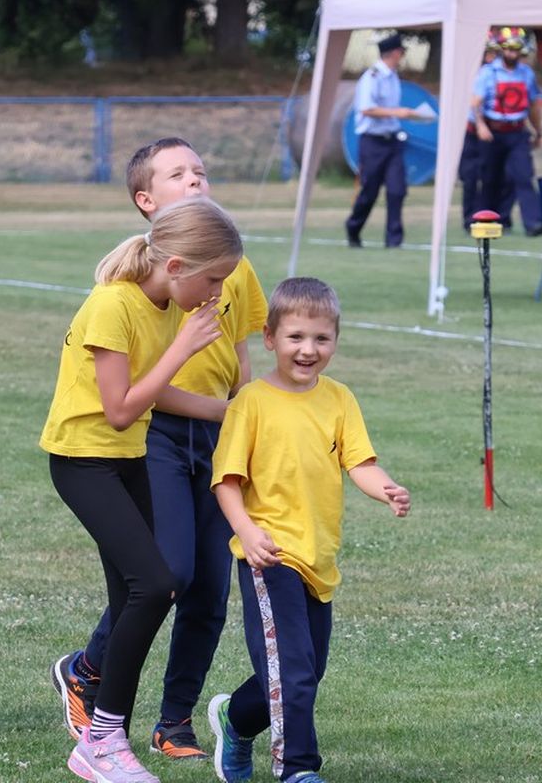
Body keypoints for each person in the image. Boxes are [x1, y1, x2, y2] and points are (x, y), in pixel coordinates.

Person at [50, 138, 269, 761]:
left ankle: (153, 726)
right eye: (180, 174)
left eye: (201, 170)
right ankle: (101, 722)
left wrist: (240, 415)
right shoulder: (126, 300)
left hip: (159, 445)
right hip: (113, 451)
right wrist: (185, 348)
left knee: (184, 587)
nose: (197, 181)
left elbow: (212, 369)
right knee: (158, 578)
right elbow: (125, 407)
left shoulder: (186, 285)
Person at [206, 277, 410, 783]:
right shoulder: (251, 402)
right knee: (294, 674)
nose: (308, 349)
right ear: (270, 338)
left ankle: (236, 718)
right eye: (296, 337)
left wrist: (385, 488)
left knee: (305, 673)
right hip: (271, 555)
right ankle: (297, 770)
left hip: (319, 557)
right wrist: (247, 534)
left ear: (336, 340)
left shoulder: (339, 399)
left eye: (322, 339)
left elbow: (359, 461)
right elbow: (226, 482)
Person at [470, 26, 542, 235]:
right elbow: (475, 102)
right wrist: (481, 125)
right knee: (490, 178)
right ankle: (485, 220)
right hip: (493, 132)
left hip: (517, 132)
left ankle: (534, 223)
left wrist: (540, 132)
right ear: (501, 49)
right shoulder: (488, 72)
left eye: (515, 49)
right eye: (508, 48)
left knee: (523, 176)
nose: (512, 53)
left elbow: (532, 106)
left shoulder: (526, 74)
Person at [344, 33, 416, 249]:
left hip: (392, 141)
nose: (402, 56)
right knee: (370, 192)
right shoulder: (372, 77)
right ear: (394, 53)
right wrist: (398, 112)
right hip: (373, 142)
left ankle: (394, 241)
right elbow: (366, 109)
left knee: (397, 190)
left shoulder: (393, 76)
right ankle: (353, 227)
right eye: (401, 52)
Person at [460, 31, 501, 229]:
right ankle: (469, 218)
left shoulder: (495, 74)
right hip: (470, 131)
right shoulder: (468, 73)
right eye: (488, 53)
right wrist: (479, 125)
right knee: (470, 177)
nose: (491, 57)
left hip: (491, 131)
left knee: (490, 176)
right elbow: (471, 103)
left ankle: (488, 215)